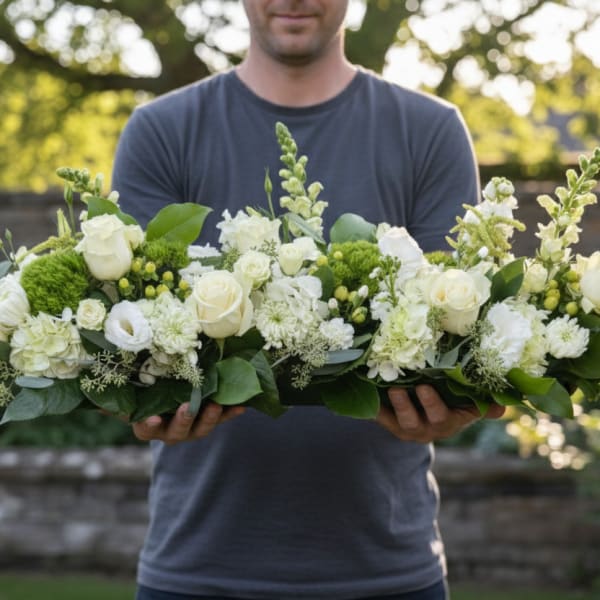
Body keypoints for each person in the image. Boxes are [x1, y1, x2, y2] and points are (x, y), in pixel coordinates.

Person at [111, 1, 505, 598]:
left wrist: (460, 397)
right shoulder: (162, 131)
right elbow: (132, 332)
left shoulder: (429, 130)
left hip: (388, 570)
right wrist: (132, 398)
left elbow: (460, 331)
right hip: (197, 566)